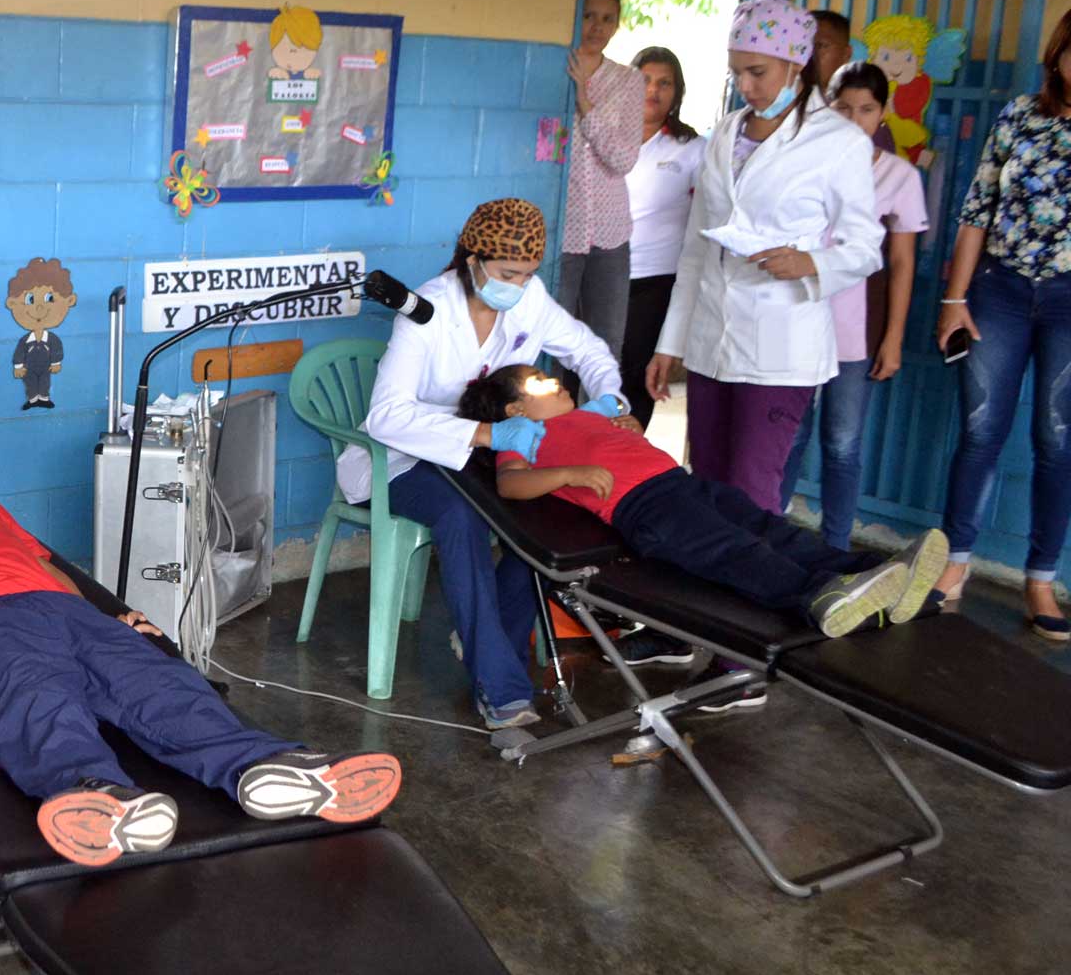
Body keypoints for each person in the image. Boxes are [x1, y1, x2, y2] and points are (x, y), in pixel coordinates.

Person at [0, 431, 402, 866]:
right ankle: (96, 795)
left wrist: (109, 613)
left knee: (158, 683)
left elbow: (48, 567)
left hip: (70, 614)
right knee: (37, 699)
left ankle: (265, 767)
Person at [337, 198, 676, 731]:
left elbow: (587, 349)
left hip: (481, 455)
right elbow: (386, 416)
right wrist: (491, 431)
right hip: (404, 458)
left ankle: (488, 633)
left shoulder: (529, 299)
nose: (516, 286)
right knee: (463, 517)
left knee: (539, 515)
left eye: (527, 274)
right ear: (471, 260)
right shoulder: (427, 310)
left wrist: (610, 400)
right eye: (506, 274)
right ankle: (501, 688)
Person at [457, 364, 946, 639]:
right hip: (646, 508)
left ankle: (875, 572)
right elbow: (511, 485)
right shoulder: (523, 433)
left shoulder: (585, 415)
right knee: (738, 552)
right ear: (516, 408)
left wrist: (620, 429)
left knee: (772, 531)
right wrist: (570, 473)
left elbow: (610, 442)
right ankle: (819, 595)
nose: (554, 380)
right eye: (538, 383)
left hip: (682, 483)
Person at [644, 0, 885, 517]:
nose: (746, 86)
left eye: (757, 72)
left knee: (753, 488)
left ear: (796, 64)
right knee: (705, 479)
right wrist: (671, 342)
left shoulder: (837, 141)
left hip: (782, 346)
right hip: (712, 336)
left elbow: (866, 246)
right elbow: (695, 247)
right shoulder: (726, 133)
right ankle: (704, 592)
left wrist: (811, 263)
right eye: (736, 73)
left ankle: (749, 597)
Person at [933, 7, 1071, 640]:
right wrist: (954, 299)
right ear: (1058, 55)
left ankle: (1040, 579)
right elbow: (976, 210)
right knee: (981, 433)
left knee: (1057, 442)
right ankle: (952, 567)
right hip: (1000, 292)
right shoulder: (1020, 115)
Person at [777, 62, 928, 548]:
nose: (853, 118)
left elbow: (902, 264)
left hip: (857, 333)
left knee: (842, 444)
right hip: (796, 320)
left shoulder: (900, 177)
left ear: (882, 113)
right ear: (826, 104)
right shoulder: (803, 163)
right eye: (843, 107)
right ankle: (767, 535)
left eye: (866, 109)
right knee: (787, 437)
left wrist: (894, 338)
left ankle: (835, 548)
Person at [558, 0, 648, 380]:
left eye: (607, 18)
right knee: (550, 339)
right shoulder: (554, 67)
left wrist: (585, 105)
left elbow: (623, 158)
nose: (597, 26)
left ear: (617, 25)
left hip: (610, 231)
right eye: (588, 15)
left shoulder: (629, 81)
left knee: (606, 341)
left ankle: (597, 430)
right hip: (559, 229)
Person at [620, 46, 706, 428]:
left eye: (664, 83)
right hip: (600, 274)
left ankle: (628, 465)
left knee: (637, 376)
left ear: (677, 92)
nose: (653, 90)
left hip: (654, 280)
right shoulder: (604, 135)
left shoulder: (691, 149)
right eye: (644, 80)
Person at [811, 9, 895, 155]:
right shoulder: (785, 104)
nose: (810, 55)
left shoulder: (874, 131)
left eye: (821, 46)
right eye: (803, 47)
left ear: (846, 54)